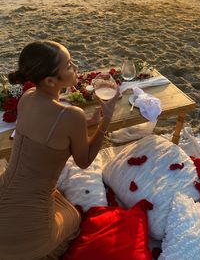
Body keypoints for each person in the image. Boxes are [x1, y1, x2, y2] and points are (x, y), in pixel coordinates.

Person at [0, 40, 119, 260]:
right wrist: (105, 121)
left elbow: (51, 123)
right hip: (27, 231)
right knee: (73, 218)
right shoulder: (72, 116)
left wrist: (84, 124)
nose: (75, 67)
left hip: (4, 190)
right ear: (50, 80)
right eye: (69, 65)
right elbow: (83, 162)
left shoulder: (27, 98)